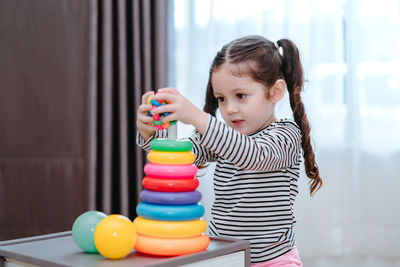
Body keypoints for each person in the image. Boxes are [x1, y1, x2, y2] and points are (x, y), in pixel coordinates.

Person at [136, 35, 322, 266]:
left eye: (240, 96)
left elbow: (254, 156)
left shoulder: (285, 135)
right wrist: (151, 133)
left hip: (274, 260)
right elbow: (183, 155)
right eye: (221, 99)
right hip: (225, 256)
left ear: (275, 91)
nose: (229, 109)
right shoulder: (223, 136)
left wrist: (196, 117)